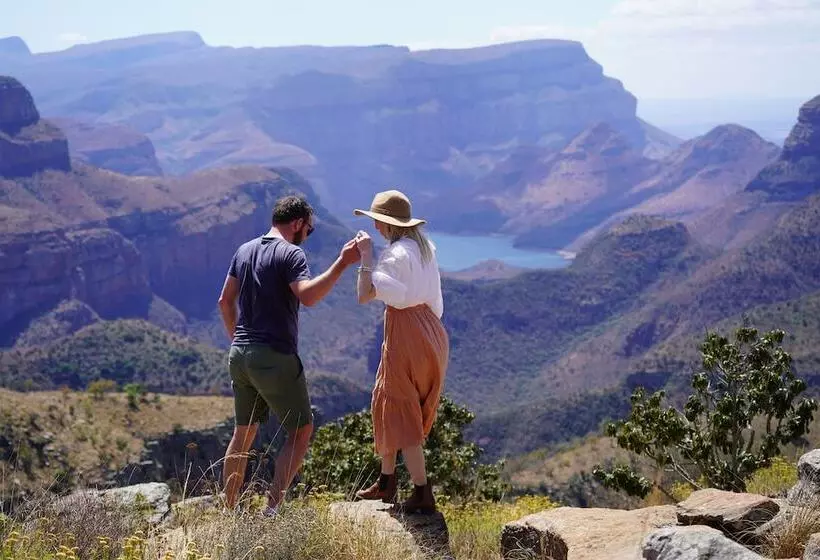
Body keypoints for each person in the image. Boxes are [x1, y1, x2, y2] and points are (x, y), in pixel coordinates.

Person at [217, 195, 360, 516]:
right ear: (296, 224)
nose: (307, 236)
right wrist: (342, 262)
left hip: (240, 354)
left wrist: (238, 340)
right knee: (300, 431)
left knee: (243, 433)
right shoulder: (291, 253)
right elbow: (308, 296)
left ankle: (229, 510)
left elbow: (224, 302)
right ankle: (272, 510)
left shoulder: (244, 250)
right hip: (275, 355)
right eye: (308, 230)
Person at [352, 189, 449, 514]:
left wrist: (365, 256)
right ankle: (387, 480)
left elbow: (365, 294)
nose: (377, 227)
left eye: (379, 221)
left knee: (400, 408)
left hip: (406, 333)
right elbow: (433, 300)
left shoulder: (394, 257)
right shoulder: (425, 249)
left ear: (389, 225)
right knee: (390, 399)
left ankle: (422, 491)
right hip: (431, 332)